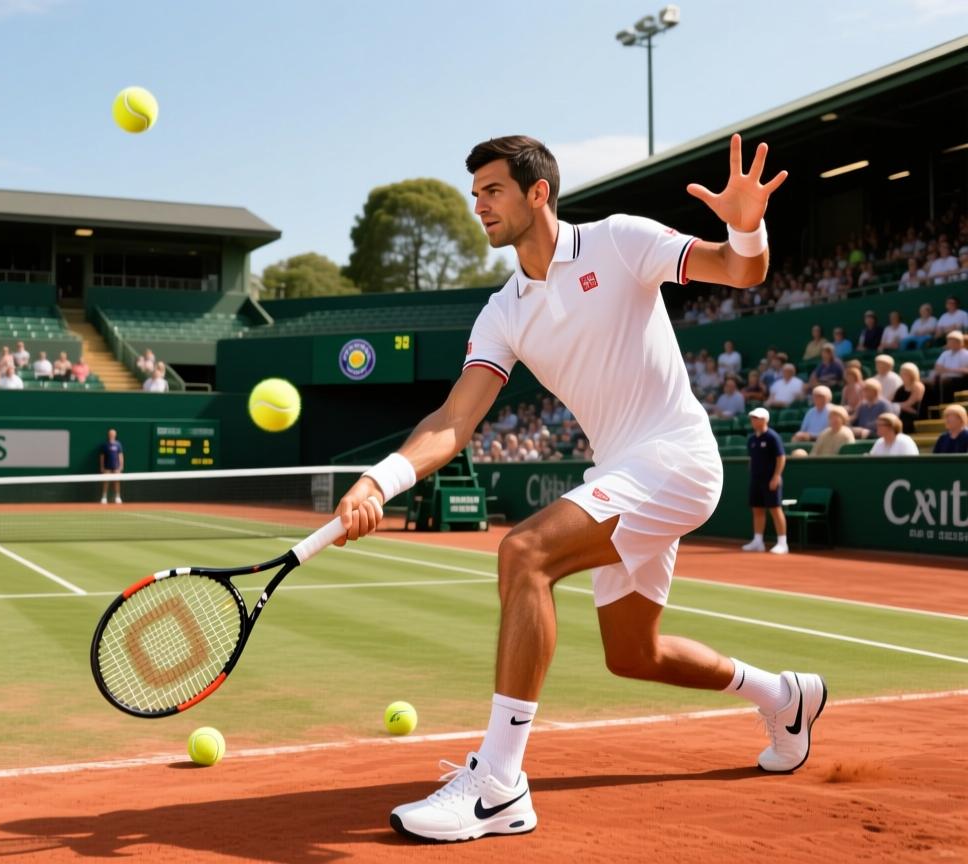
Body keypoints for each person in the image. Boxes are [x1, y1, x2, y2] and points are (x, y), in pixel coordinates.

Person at [332, 135, 824, 843]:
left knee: (525, 553)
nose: (479, 207)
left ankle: (500, 787)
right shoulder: (503, 310)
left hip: (677, 458)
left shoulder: (619, 242)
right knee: (634, 653)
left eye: (492, 191)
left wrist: (746, 224)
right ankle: (785, 696)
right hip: (622, 471)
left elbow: (739, 272)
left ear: (538, 193)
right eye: (474, 195)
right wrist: (383, 478)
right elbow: (453, 419)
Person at [742, 407, 788, 554]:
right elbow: (752, 459)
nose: (753, 420)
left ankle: (782, 543)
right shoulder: (752, 439)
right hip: (756, 479)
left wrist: (776, 476)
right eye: (752, 418)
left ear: (764, 420)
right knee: (757, 509)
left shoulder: (773, 437)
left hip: (770, 479)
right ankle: (758, 541)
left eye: (756, 418)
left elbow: (781, 458)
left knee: (775, 509)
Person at [927, 330, 968, 404]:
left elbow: (966, 371)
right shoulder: (945, 354)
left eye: (951, 341)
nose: (949, 343)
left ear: (959, 342)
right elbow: (937, 367)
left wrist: (948, 370)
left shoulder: (966, 354)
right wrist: (951, 370)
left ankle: (945, 405)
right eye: (949, 341)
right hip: (944, 378)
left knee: (945, 381)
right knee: (930, 383)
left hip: (961, 380)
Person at [892, 362, 925, 434]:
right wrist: (899, 406)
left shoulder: (917, 386)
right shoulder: (900, 388)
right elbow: (893, 403)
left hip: (915, 414)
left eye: (905, 374)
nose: (902, 376)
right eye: (901, 373)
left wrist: (898, 406)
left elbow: (910, 403)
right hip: (902, 412)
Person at [99, 429, 124, 504]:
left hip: (116, 467)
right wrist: (102, 467)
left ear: (115, 435)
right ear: (108, 435)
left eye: (113, 434)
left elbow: (121, 456)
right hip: (107, 467)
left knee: (116, 482)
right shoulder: (105, 445)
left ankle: (117, 497)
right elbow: (102, 457)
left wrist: (121, 466)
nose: (112, 435)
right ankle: (104, 497)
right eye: (110, 434)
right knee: (106, 482)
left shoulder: (118, 444)